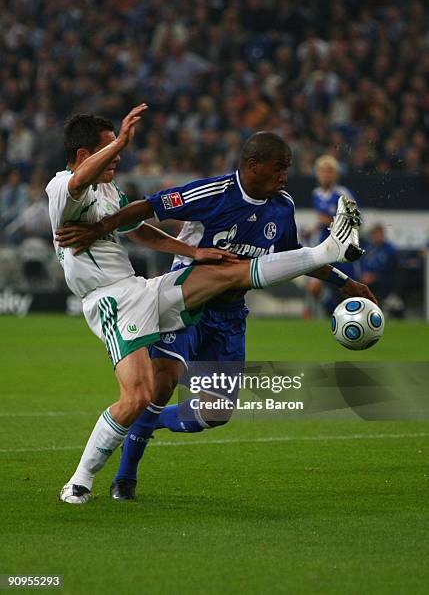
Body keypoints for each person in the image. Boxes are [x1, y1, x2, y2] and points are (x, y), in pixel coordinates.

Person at [51, 103, 363, 504]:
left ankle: (329, 252)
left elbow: (285, 258)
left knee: (213, 412)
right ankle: (121, 476)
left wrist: (343, 281)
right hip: (152, 302)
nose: (285, 175)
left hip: (220, 314)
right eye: (278, 166)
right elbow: (150, 206)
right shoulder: (207, 191)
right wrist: (104, 221)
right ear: (252, 165)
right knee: (157, 385)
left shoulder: (281, 208)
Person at [306, 155, 358, 315]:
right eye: (322, 171)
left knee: (348, 291)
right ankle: (329, 314)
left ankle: (350, 317)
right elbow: (322, 222)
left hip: (342, 248)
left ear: (335, 174)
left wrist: (330, 221)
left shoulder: (342, 194)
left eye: (329, 171)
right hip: (324, 246)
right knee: (314, 287)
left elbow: (355, 221)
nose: (325, 175)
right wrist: (314, 229)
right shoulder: (316, 194)